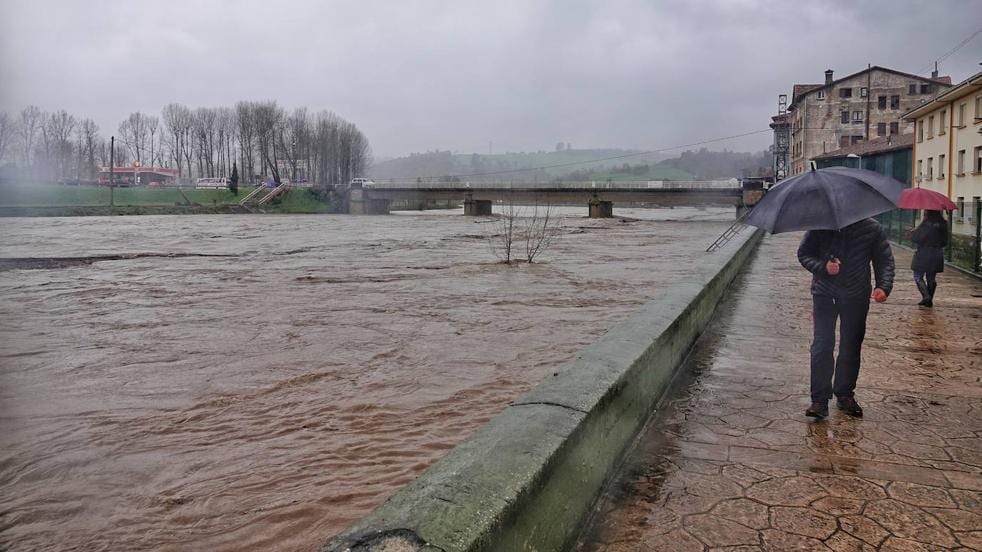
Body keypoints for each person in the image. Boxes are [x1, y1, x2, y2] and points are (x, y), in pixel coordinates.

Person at [797, 218, 895, 419]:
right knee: (822, 346)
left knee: (851, 346)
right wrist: (823, 267)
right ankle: (819, 400)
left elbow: (884, 259)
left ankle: (845, 394)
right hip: (824, 294)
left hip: (857, 295)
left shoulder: (872, 228)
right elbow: (804, 254)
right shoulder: (820, 226)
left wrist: (883, 286)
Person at [910, 210, 948, 308]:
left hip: (924, 253)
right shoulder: (943, 224)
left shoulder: (926, 224)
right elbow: (945, 241)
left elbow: (917, 239)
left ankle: (926, 296)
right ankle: (929, 300)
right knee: (931, 278)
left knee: (918, 276)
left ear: (928, 213)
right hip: (937, 253)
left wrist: (915, 231)